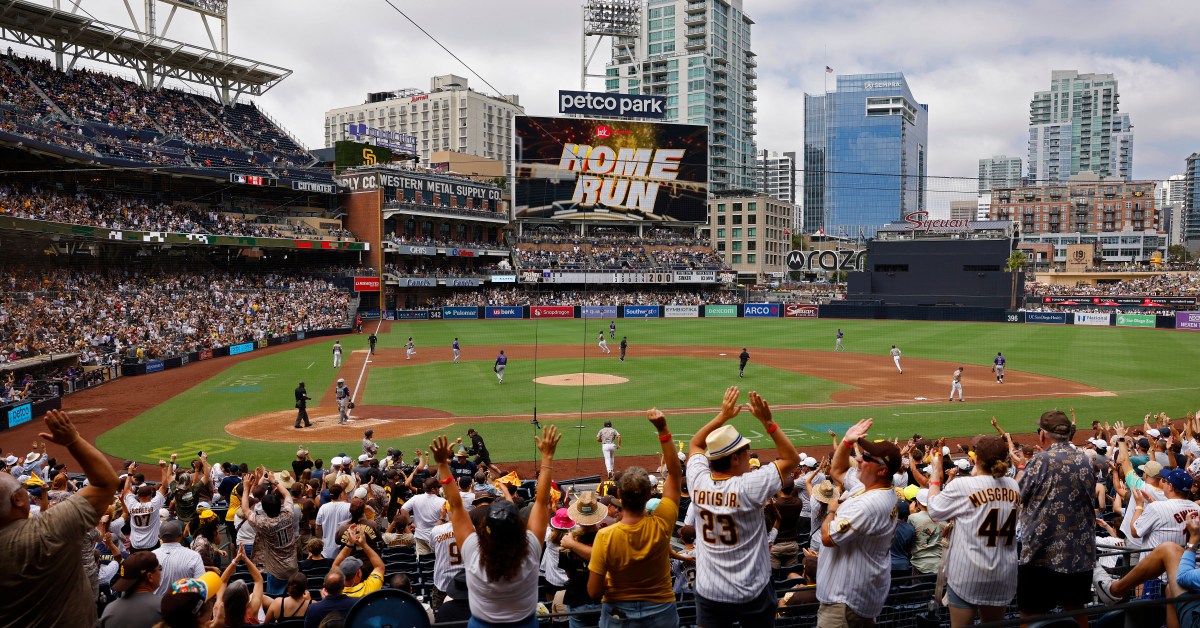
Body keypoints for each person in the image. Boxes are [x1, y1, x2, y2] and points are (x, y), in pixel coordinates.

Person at [686, 386, 800, 627]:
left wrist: (723, 416)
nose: (749, 456)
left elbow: (695, 445)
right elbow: (791, 459)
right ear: (735, 458)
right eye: (746, 452)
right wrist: (768, 422)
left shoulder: (697, 480)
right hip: (752, 592)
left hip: (710, 593)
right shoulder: (750, 486)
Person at [431, 425, 562, 627]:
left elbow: (455, 506)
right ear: (518, 529)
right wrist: (547, 459)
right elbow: (543, 502)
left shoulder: (475, 552)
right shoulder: (530, 550)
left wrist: (442, 465)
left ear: (485, 530)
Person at [588, 408, 681, 627]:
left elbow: (593, 591)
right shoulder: (663, 521)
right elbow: (675, 475)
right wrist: (663, 430)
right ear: (650, 493)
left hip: (618, 614)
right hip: (662, 611)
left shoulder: (605, 536)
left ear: (618, 495)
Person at [925, 435, 1019, 626]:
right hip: (1003, 575)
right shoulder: (1013, 486)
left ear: (976, 459)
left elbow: (934, 510)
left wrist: (936, 472)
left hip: (967, 575)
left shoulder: (963, 485)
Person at [816, 418, 901, 626]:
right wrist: (846, 442)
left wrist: (831, 510)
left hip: (844, 602)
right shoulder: (872, 487)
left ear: (882, 470)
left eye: (867, 457)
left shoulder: (869, 504)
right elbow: (837, 471)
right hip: (858, 595)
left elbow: (827, 537)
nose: (860, 459)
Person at [1017, 410, 1095, 628]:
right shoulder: (1085, 459)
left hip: (1041, 553)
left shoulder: (1041, 460)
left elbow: (1018, 495)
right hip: (1079, 552)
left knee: (1030, 615)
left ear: (1043, 434)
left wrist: (1022, 466)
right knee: (1077, 611)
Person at [240, 469, 299, 598]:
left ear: (265, 510)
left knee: (274, 600)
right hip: (293, 566)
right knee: (292, 598)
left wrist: (246, 488)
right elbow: (287, 496)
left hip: (276, 571)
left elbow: (245, 510)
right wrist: (274, 481)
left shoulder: (264, 523)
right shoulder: (288, 514)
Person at [560, 491, 607, 628]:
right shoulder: (607, 537)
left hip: (577, 597)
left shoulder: (568, 541)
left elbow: (568, 572)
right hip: (602, 597)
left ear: (578, 518)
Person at [98, 551, 162, 627]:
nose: (160, 572)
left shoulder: (109, 610)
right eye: (159, 568)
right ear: (150, 577)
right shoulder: (163, 607)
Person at [122, 458, 172, 552]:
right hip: (151, 544)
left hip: (135, 544)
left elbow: (126, 490)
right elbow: (164, 486)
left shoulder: (133, 505)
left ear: (138, 496)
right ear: (150, 496)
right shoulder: (154, 505)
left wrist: (130, 473)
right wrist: (163, 468)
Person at [153, 519, 206, 597]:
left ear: (159, 536)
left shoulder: (151, 556)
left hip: (156, 606)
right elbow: (201, 585)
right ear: (181, 535)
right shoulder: (193, 556)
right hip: (185, 606)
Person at [331, 526, 386, 597]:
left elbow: (335, 566)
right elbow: (379, 567)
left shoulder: (334, 592)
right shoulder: (369, 588)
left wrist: (349, 544)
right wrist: (364, 544)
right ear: (359, 574)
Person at [402, 477, 447, 555]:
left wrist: (409, 523)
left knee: (422, 563)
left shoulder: (415, 498)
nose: (439, 489)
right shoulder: (442, 501)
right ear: (433, 489)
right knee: (437, 561)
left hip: (420, 536)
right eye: (438, 487)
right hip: (437, 537)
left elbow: (403, 509)